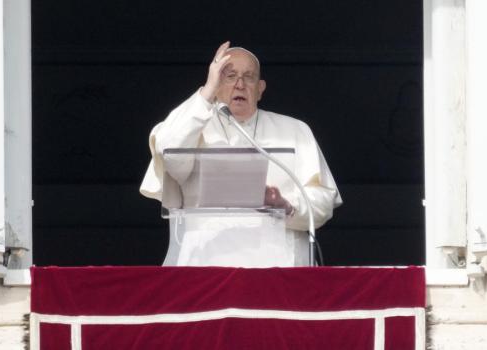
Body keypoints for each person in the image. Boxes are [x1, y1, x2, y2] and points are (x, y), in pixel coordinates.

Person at [140, 41, 342, 266]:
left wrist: (286, 205)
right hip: (205, 264)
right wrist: (206, 92)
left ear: (260, 88)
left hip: (279, 267)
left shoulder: (294, 130)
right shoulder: (192, 125)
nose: (239, 84)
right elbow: (170, 154)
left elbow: (323, 199)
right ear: (215, 83)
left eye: (249, 77)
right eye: (229, 76)